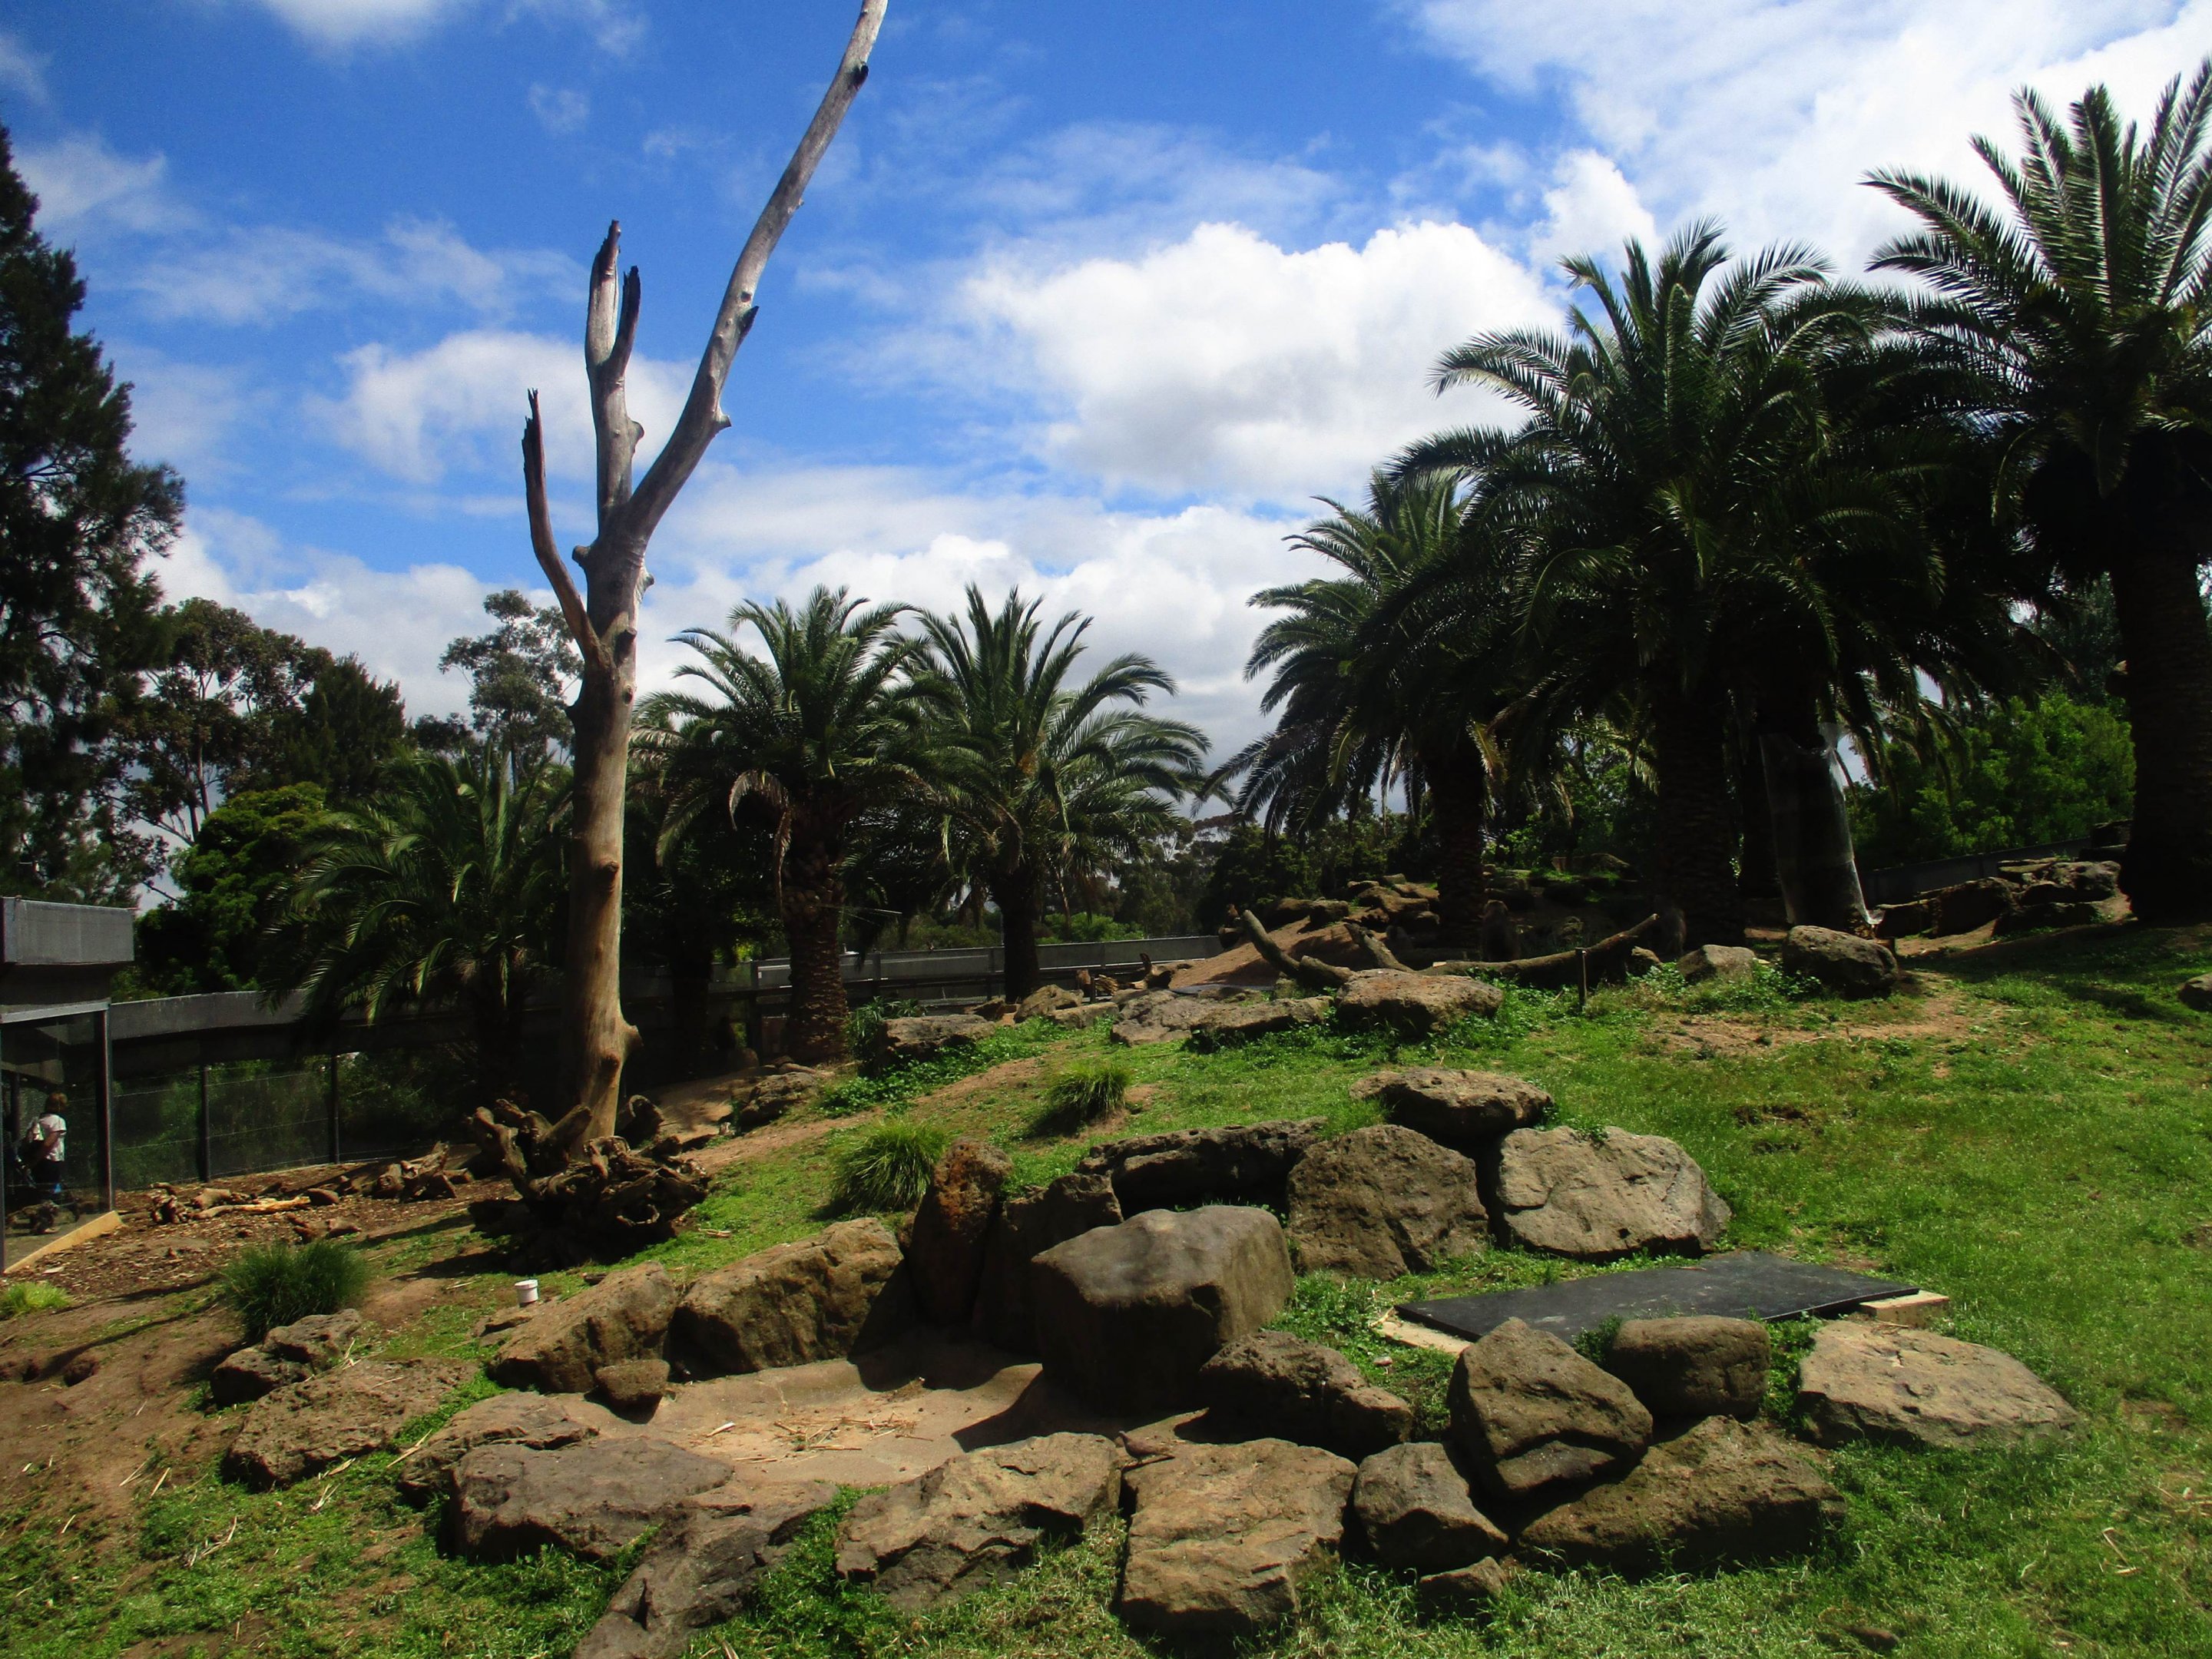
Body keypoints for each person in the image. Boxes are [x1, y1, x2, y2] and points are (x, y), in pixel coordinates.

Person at [26, 1094, 65, 1203]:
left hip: (39, 1160)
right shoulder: (58, 1121)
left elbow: (29, 1139)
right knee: (51, 1190)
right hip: (52, 1159)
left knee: (42, 1189)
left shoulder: (38, 1120)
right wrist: (38, 1158)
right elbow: (49, 1143)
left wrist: (33, 1161)